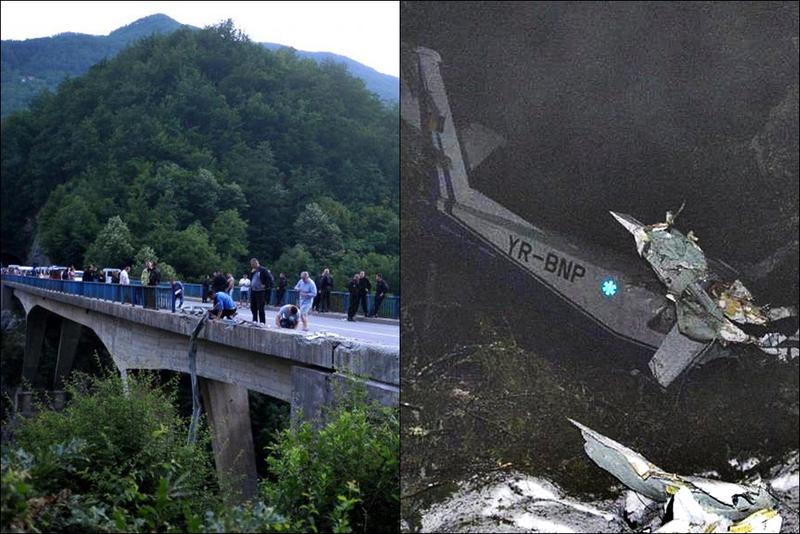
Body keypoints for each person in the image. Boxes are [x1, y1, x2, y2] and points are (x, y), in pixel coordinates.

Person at [249, 258, 274, 324]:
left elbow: (270, 279)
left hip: (260, 291)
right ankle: (255, 320)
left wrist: (266, 285)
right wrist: (251, 273)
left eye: (252, 264)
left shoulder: (263, 270)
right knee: (253, 306)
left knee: (260, 307)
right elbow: (251, 279)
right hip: (253, 290)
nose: (252, 266)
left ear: (256, 263)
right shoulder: (253, 271)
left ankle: (262, 322)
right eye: (251, 265)